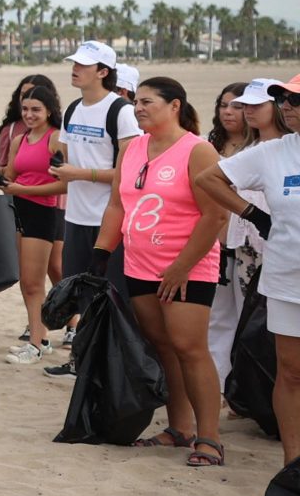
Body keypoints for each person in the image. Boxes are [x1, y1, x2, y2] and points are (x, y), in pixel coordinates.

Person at [100, 75, 237, 468]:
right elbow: (116, 206)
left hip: (187, 267)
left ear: (175, 106)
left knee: (191, 349)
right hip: (138, 264)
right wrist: (100, 253)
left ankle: (209, 438)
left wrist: (180, 268)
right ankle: (180, 429)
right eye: (136, 102)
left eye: (148, 102)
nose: (138, 108)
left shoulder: (198, 151)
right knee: (163, 348)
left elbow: (215, 215)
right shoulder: (133, 148)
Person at [219, 75, 300, 463]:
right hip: (286, 280)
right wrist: (255, 215)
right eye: (283, 98)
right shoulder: (272, 152)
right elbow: (209, 179)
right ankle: (293, 467)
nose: (286, 105)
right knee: (291, 373)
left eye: (295, 100)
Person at [51, 42, 138, 336]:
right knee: (80, 296)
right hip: (75, 218)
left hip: (109, 220)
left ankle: (108, 368)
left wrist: (81, 173)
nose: (74, 69)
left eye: (83, 65)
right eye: (74, 63)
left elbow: (130, 172)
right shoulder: (73, 109)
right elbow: (65, 156)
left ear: (103, 72)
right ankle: (81, 360)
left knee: (112, 298)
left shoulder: (121, 111)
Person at [0, 78, 67, 360]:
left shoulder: (56, 138)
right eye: (25, 109)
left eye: (36, 109)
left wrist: (25, 189)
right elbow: (11, 174)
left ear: (49, 110)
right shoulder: (18, 140)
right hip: (19, 209)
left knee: (35, 282)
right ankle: (40, 338)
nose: (29, 115)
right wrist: (4, 181)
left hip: (44, 212)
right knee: (26, 281)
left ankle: (35, 345)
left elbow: (65, 184)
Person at [206, 79, 270, 388]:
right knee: (219, 316)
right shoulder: (211, 147)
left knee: (251, 316)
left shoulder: (264, 149)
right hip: (218, 243)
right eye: (225, 105)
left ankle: (245, 388)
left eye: (240, 105)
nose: (230, 112)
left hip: (252, 244)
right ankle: (219, 384)